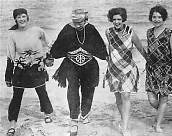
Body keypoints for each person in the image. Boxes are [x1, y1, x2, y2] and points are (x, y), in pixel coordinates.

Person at [50, 9, 108, 136]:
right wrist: (50, 54)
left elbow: (101, 49)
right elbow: (57, 48)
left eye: (80, 22)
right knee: (72, 91)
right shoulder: (67, 29)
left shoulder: (91, 29)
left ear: (86, 20)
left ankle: (85, 114)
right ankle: (73, 118)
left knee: (89, 90)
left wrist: (107, 56)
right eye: (75, 22)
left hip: (89, 66)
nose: (77, 25)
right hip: (71, 66)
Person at [5, 8, 54, 136]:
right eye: (18, 17)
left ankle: (47, 114)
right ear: (15, 19)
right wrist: (8, 76)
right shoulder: (12, 35)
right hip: (21, 70)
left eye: (23, 16)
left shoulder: (37, 30)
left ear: (27, 17)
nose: (21, 19)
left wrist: (48, 58)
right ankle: (12, 124)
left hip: (37, 68)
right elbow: (10, 56)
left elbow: (50, 44)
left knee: (42, 92)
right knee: (16, 97)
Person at [105, 7, 146, 136]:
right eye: (114, 19)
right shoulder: (108, 32)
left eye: (119, 19)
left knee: (126, 96)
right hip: (114, 69)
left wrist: (149, 62)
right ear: (111, 20)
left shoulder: (131, 32)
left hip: (128, 68)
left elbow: (140, 48)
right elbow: (109, 50)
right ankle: (124, 122)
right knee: (118, 97)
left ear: (123, 19)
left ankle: (124, 128)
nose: (116, 22)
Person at [145, 5, 172, 132]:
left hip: (166, 69)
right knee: (151, 99)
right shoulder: (149, 32)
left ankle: (158, 124)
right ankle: (161, 111)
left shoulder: (169, 33)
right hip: (151, 70)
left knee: (163, 97)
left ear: (164, 18)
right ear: (151, 18)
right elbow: (149, 50)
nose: (156, 19)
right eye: (154, 17)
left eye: (159, 17)